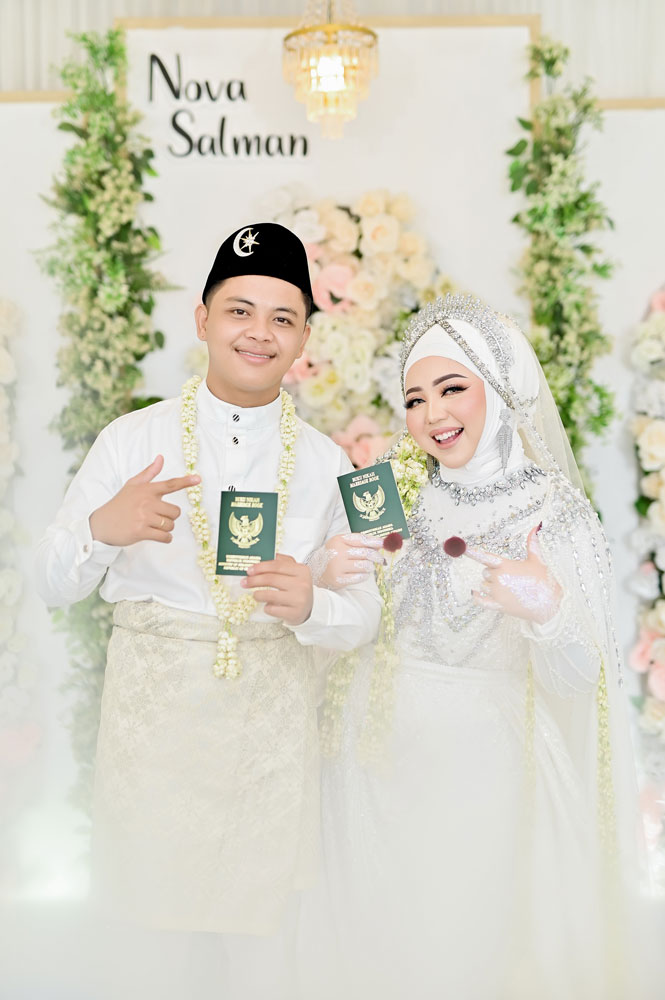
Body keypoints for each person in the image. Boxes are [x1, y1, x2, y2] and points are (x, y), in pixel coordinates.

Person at [35, 222, 382, 999]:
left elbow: (366, 608)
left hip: (269, 744)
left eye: (282, 318)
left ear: (304, 340)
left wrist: (315, 606)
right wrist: (101, 529)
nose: (259, 333)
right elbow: (51, 583)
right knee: (146, 952)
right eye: (239, 311)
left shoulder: (328, 464)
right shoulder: (132, 441)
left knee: (261, 957)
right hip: (154, 739)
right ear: (202, 319)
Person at [300, 294, 652, 1000]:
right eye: (414, 398)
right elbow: (343, 618)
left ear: (498, 385)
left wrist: (547, 610)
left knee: (475, 948)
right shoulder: (389, 487)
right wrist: (324, 574)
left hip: (491, 776)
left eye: (452, 388)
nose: (432, 414)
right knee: (380, 951)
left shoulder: (555, 512)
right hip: (373, 763)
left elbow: (583, 680)